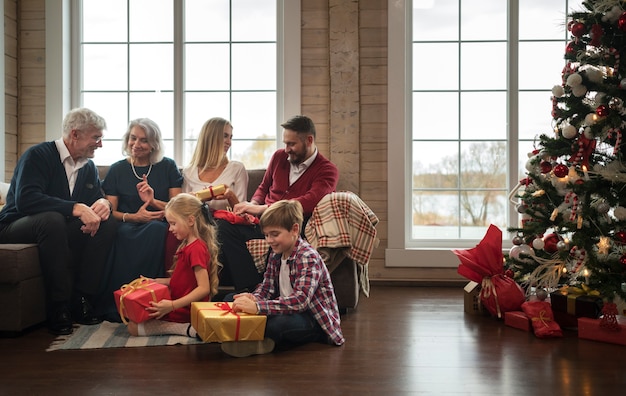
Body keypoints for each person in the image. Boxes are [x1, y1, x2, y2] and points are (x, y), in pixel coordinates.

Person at [0, 107, 117, 335]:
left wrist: (105, 205)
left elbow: (95, 199)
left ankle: (82, 299)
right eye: (96, 137)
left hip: (56, 227)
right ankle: (58, 306)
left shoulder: (88, 166)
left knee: (108, 223)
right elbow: (26, 200)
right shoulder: (38, 155)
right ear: (75, 134)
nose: (100, 144)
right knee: (51, 220)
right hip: (14, 225)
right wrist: (76, 208)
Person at [216, 115, 338, 293]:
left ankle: (268, 292)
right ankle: (249, 288)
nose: (287, 149)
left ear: (309, 140)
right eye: (285, 143)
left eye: (292, 144)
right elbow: (263, 187)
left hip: (292, 225)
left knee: (283, 239)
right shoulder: (279, 157)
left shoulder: (327, 170)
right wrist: (253, 204)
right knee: (223, 227)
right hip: (261, 222)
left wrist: (261, 208)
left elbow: (308, 201)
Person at [221, 200, 345, 357]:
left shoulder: (307, 256)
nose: (269, 240)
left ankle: (258, 338)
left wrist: (258, 307)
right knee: (231, 299)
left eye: (275, 234)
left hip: (312, 318)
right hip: (285, 309)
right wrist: (254, 298)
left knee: (278, 324)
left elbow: (300, 301)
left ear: (294, 229)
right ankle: (256, 338)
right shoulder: (275, 253)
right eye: (266, 235)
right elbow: (267, 287)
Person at [98, 118, 183, 321]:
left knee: (156, 230)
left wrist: (153, 201)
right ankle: (122, 300)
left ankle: (148, 299)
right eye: (133, 138)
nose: (136, 144)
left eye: (144, 140)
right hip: (126, 225)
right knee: (120, 234)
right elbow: (111, 211)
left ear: (154, 144)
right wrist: (133, 217)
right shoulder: (118, 169)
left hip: (159, 224)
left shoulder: (167, 166)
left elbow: (178, 207)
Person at [127, 193, 221, 337]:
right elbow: (186, 281)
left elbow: (203, 288)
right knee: (134, 319)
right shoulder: (189, 245)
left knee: (133, 328)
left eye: (173, 223)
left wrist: (172, 306)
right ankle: (184, 326)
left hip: (185, 309)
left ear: (190, 220)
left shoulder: (196, 248)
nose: (170, 229)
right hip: (179, 305)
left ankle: (183, 328)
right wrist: (157, 282)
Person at [182, 117, 248, 210]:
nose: (229, 142)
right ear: (210, 137)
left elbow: (243, 214)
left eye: (230, 137)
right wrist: (196, 199)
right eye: (225, 136)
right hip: (197, 223)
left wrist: (231, 196)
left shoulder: (237, 168)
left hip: (227, 223)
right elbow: (184, 213)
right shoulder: (189, 172)